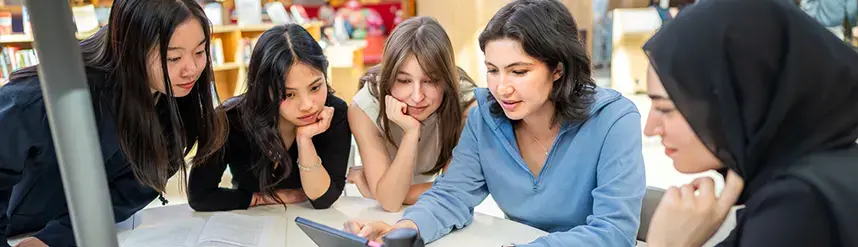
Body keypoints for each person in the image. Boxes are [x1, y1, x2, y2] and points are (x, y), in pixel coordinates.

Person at [345, 0, 646, 246]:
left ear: (558, 69)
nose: (502, 88)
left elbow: (614, 232)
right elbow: (450, 196)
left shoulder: (614, 120)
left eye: (518, 71)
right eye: (492, 70)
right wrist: (405, 231)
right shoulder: (485, 117)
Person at [0, 0, 227, 246]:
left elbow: (130, 193)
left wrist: (53, 238)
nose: (191, 69)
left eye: (200, 52)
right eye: (173, 58)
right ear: (132, 49)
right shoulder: (47, 97)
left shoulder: (178, 101)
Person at [641, 0, 858, 246]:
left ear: (742, 100)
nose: (650, 129)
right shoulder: (818, 178)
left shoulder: (793, 210)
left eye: (665, 108)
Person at [187, 24, 351, 211]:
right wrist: (259, 199)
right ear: (265, 90)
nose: (307, 105)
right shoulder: (229, 119)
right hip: (250, 225)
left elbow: (323, 199)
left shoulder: (334, 112)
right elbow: (200, 196)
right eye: (288, 94)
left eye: (315, 88)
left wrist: (304, 140)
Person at [345, 16, 477, 212]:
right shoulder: (365, 107)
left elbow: (454, 192)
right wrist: (411, 132)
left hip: (434, 212)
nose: (417, 97)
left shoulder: (466, 104)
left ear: (445, 80)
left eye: (430, 80)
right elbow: (390, 204)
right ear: (389, 78)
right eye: (404, 81)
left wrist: (379, 192)